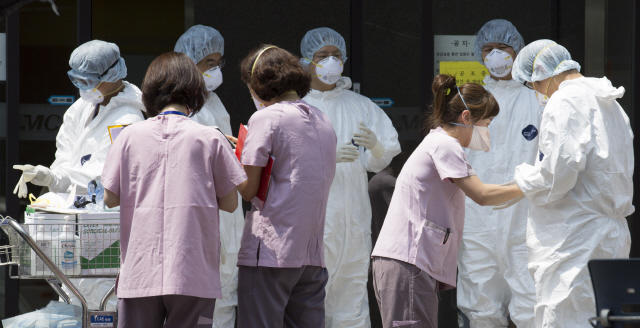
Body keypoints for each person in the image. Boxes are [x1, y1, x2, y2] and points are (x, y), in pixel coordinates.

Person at [101, 51, 247, 327]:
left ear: (151, 92)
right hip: (194, 273)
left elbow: (110, 198)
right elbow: (230, 204)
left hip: (140, 271)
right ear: (195, 92)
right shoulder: (211, 138)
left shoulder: (129, 135)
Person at [371, 74, 524, 328]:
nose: (488, 131)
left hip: (411, 262)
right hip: (409, 260)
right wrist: (530, 186)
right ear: (466, 118)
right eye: (487, 123)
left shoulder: (439, 141)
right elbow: (482, 194)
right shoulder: (446, 145)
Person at [12, 40, 145, 312]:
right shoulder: (79, 109)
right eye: (76, 79)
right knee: (74, 300)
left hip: (105, 225)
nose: (81, 85)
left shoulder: (129, 118)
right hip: (76, 227)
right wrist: (48, 176)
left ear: (111, 75)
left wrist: (56, 179)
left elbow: (106, 175)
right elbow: (66, 160)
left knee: (103, 303)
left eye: (87, 79)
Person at [509, 40, 633, 328]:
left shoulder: (564, 101)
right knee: (602, 318)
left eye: (532, 84)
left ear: (542, 73)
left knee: (566, 318)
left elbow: (557, 176)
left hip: (574, 237)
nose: (535, 92)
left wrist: (523, 177)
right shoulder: (610, 104)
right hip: (610, 236)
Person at [300, 27, 401, 328]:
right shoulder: (298, 106)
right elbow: (282, 162)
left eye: (336, 55)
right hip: (316, 219)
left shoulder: (360, 105)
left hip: (354, 220)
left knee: (353, 300)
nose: (331, 61)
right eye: (322, 55)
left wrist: (376, 147)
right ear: (307, 60)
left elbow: (382, 157)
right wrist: (324, 158)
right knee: (311, 299)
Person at [235, 45, 337, 328]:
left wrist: (231, 159)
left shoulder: (265, 118)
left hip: (270, 252)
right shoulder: (322, 119)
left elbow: (247, 189)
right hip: (311, 255)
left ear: (259, 84)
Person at [456, 19, 539, 328]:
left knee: (531, 304)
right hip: (477, 219)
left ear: (517, 51)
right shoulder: (466, 102)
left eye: (502, 49)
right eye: (488, 49)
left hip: (525, 219)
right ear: (480, 54)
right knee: (480, 307)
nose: (495, 56)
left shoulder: (537, 101)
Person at [174, 24, 244, 328]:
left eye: (218, 62)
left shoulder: (214, 101)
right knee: (202, 302)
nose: (215, 69)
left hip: (227, 211)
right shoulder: (183, 107)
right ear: (190, 63)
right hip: (204, 211)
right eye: (208, 63)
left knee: (225, 299)